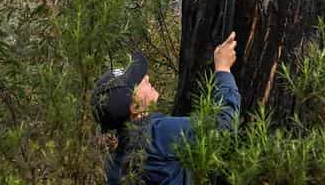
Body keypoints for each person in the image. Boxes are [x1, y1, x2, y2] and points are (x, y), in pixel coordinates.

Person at [91, 33, 241, 185]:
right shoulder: (157, 133)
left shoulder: (112, 166)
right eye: (138, 81)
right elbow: (223, 128)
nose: (147, 78)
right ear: (134, 107)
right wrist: (223, 69)